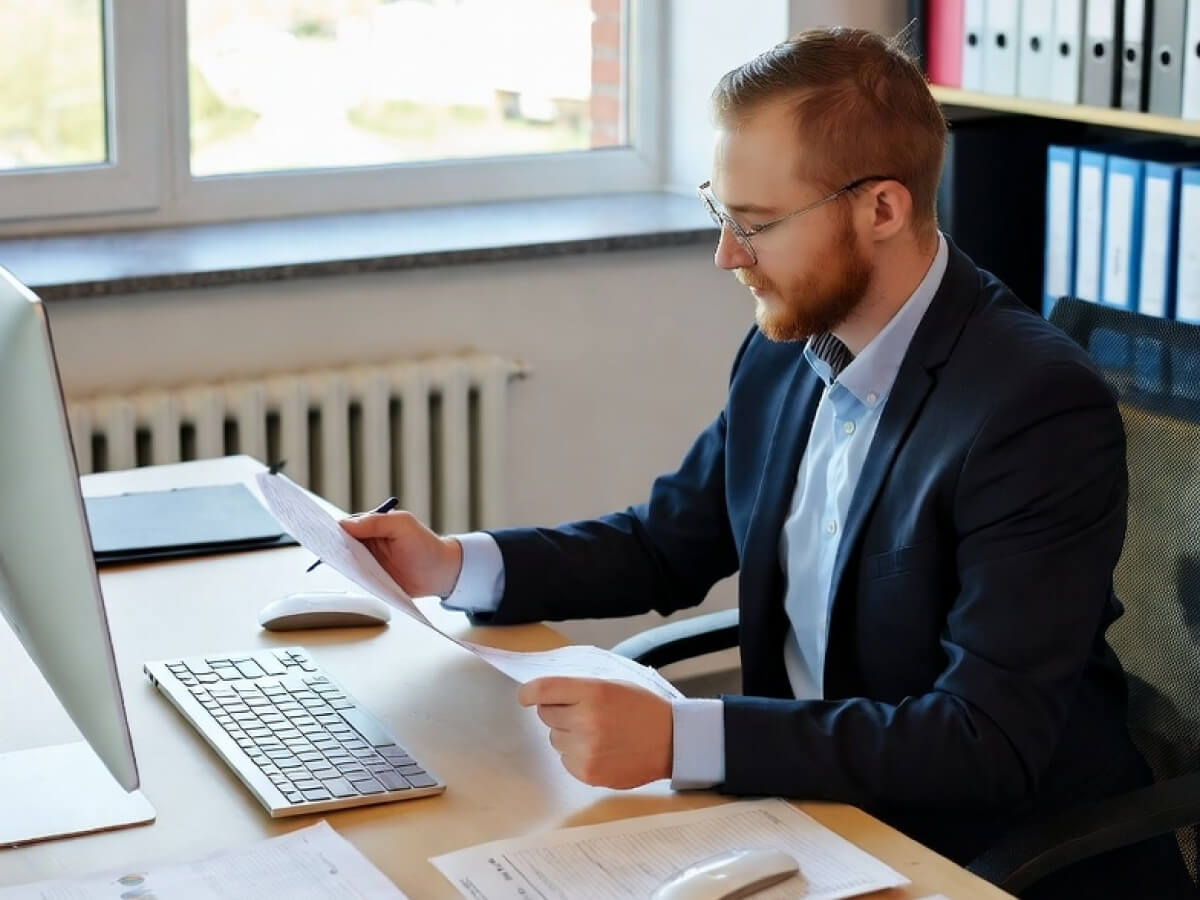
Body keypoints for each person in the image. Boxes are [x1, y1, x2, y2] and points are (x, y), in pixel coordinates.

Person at [343, 27, 1196, 900]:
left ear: (882, 209)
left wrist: (684, 739)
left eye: (756, 226)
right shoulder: (789, 345)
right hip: (808, 816)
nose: (727, 257)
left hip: (985, 856)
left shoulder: (1031, 407)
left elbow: (984, 739)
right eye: (723, 215)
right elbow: (666, 542)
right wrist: (451, 564)